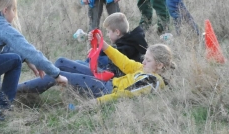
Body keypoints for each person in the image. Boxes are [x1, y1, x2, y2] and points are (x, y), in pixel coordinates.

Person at [16, 34, 173, 103]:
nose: (143, 62)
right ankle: (32, 92)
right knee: (61, 62)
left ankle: (14, 91)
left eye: (148, 60)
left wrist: (96, 103)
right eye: (144, 58)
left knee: (57, 75)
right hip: (106, 81)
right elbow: (124, 62)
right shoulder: (143, 69)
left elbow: (123, 95)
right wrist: (103, 44)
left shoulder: (151, 80)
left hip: (105, 90)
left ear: (159, 66)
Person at [94, 12, 148, 77]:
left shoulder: (127, 48)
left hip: (117, 78)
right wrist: (97, 50)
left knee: (96, 59)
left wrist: (96, 54)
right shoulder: (129, 41)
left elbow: (114, 65)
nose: (107, 35)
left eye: (108, 31)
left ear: (117, 32)